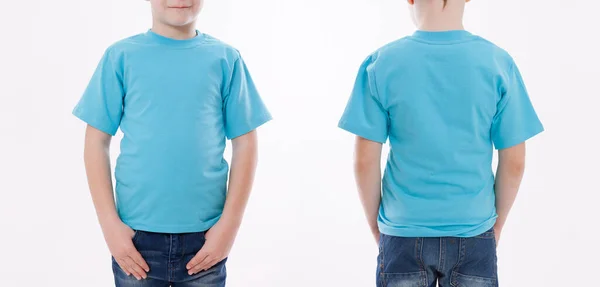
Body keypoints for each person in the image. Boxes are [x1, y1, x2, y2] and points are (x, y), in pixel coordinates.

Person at [338, 0, 543, 286]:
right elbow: (515, 162)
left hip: (402, 230)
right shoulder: (497, 63)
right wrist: (494, 228)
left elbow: (364, 161)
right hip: (473, 229)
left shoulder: (381, 63)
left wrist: (379, 228)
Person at [72, 0, 271, 286]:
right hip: (135, 239)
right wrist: (110, 226)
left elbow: (246, 143)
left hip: (206, 239)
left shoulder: (226, 59)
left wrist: (229, 226)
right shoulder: (121, 56)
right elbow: (96, 141)